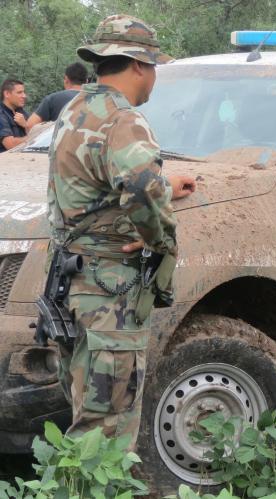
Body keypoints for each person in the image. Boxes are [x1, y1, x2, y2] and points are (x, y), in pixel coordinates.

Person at [47, 14, 195, 450]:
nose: (154, 78)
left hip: (73, 283)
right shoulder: (124, 119)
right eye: (153, 67)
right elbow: (139, 189)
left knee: (88, 414)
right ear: (137, 65)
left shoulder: (74, 109)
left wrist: (165, 185)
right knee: (106, 431)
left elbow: (93, 183)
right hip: (109, 293)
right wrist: (160, 241)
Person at [26, 62, 88, 130]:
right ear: (87, 81)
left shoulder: (53, 99)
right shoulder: (98, 100)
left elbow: (30, 125)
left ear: (66, 79)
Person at [0, 78, 28, 152]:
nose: (24, 96)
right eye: (19, 92)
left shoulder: (21, 111)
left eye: (24, 92)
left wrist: (26, 125)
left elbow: (33, 129)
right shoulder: (1, 114)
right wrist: (34, 138)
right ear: (7, 94)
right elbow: (10, 144)